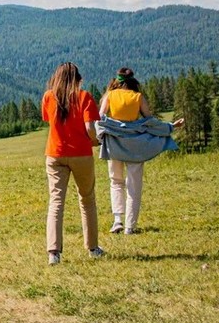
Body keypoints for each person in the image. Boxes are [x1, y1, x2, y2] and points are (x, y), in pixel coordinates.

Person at [98, 67, 185, 235]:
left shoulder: (110, 95)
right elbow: (150, 122)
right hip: (135, 145)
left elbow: (100, 118)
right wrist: (171, 126)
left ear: (117, 80)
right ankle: (130, 226)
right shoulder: (138, 97)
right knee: (134, 186)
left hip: (114, 143)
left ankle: (117, 221)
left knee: (116, 181)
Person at [41, 64, 105, 266]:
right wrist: (95, 141)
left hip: (55, 154)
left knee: (56, 201)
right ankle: (93, 248)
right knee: (87, 199)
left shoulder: (48, 97)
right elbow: (90, 127)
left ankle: (53, 252)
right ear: (78, 79)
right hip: (81, 154)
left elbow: (48, 120)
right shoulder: (84, 97)